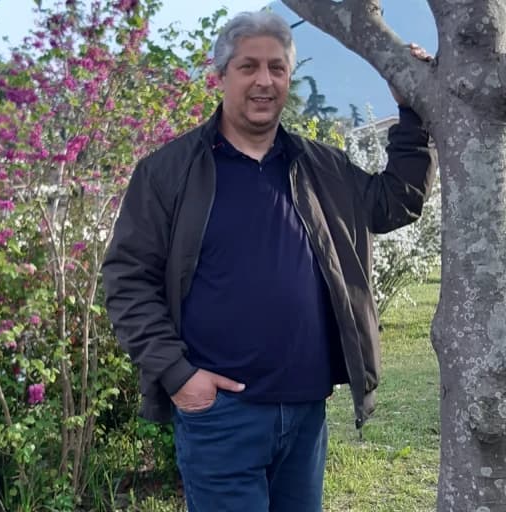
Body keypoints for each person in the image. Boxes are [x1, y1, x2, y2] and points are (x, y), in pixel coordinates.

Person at [102, 10, 436, 512]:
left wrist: (411, 114)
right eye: (249, 66)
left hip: (305, 413)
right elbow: (127, 279)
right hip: (220, 417)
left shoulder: (320, 166)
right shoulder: (168, 172)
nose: (264, 81)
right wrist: (178, 374)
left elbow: (395, 204)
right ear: (221, 75)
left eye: (277, 68)